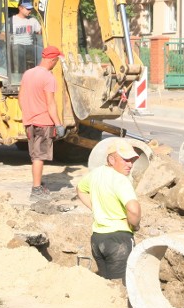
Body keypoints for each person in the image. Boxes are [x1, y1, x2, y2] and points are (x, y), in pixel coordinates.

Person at [76, 138, 141, 283]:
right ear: (111, 159)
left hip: (97, 240)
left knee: (106, 287)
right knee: (122, 288)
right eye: (125, 160)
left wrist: (97, 209)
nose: (130, 164)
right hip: (119, 241)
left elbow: (80, 189)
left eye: (132, 160)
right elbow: (134, 210)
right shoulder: (121, 180)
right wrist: (135, 225)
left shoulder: (96, 173)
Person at [18, 45, 66, 202]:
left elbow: (20, 98)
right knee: (39, 156)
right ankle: (36, 189)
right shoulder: (48, 77)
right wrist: (58, 124)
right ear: (52, 60)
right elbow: (51, 104)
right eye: (57, 60)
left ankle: (38, 185)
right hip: (43, 122)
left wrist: (27, 115)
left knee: (34, 154)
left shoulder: (28, 74)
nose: (57, 63)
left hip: (30, 121)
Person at [6, 0, 42, 73]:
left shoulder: (33, 20)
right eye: (27, 9)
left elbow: (40, 32)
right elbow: (3, 34)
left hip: (30, 45)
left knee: (42, 51)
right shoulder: (11, 20)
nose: (30, 11)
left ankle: (39, 73)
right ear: (20, 8)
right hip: (17, 44)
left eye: (30, 9)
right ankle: (18, 73)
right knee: (19, 52)